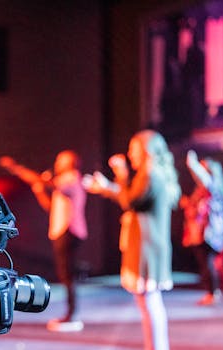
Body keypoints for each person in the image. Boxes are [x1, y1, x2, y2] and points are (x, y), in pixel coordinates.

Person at [83, 130, 181, 350]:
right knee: (147, 302)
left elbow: (130, 200)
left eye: (133, 149)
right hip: (148, 244)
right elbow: (132, 197)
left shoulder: (151, 174)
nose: (130, 154)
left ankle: (157, 347)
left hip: (148, 246)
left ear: (146, 151)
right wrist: (108, 187)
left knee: (150, 302)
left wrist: (120, 173)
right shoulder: (150, 173)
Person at [0, 150, 88, 332]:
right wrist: (40, 190)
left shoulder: (71, 178)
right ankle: (70, 313)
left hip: (68, 231)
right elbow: (51, 206)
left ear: (71, 163)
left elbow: (43, 181)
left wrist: (17, 169)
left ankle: (71, 315)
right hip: (63, 231)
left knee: (67, 275)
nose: (57, 163)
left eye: (61, 160)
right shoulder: (64, 182)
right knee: (65, 275)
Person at [180, 150, 223, 305]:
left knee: (208, 261)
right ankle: (212, 292)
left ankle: (213, 292)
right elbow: (197, 206)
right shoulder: (204, 189)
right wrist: (188, 203)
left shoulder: (213, 185)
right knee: (205, 261)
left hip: (210, 231)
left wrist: (192, 164)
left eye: (203, 168)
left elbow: (205, 180)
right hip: (202, 231)